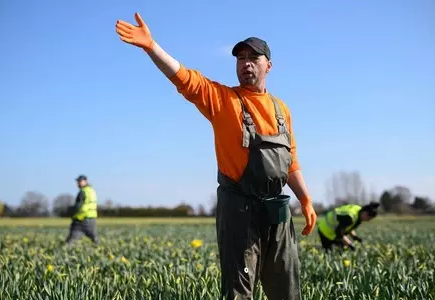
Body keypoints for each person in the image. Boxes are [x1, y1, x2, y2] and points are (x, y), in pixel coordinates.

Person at [115, 12, 317, 300]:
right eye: (240, 58)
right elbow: (185, 78)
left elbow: (291, 160)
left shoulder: (281, 109)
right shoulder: (223, 100)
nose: (246, 63)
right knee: (238, 291)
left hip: (277, 213)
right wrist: (152, 47)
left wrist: (306, 199)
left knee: (286, 288)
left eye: (253, 58)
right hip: (240, 212)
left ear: (268, 66)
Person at [65, 175, 99, 245]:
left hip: (81, 219)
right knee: (94, 238)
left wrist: (71, 212)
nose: (78, 183)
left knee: (71, 241)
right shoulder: (91, 190)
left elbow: (78, 206)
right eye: (78, 181)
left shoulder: (83, 192)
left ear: (85, 181)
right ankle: (102, 250)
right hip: (91, 219)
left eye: (80, 181)